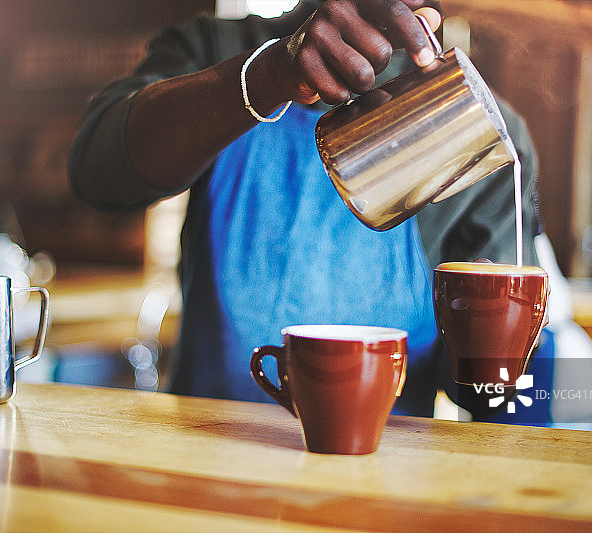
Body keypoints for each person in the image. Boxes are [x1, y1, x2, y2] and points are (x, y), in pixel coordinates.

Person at [68, 0, 549, 420]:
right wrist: (268, 78)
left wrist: (491, 344)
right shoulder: (217, 49)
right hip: (204, 464)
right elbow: (97, 174)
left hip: (382, 481)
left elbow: (484, 394)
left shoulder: (483, 134)